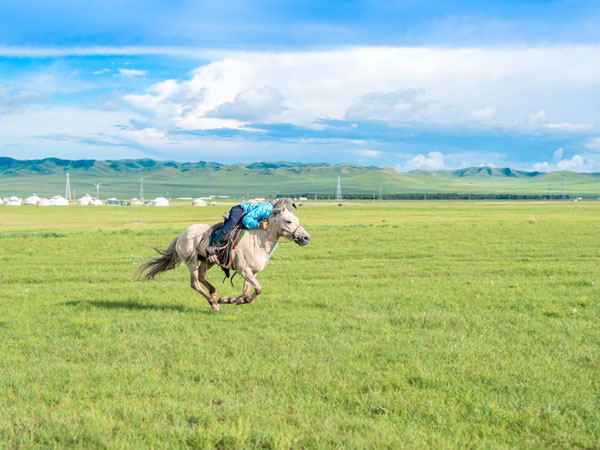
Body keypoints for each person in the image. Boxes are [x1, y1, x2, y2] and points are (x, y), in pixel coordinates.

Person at [206, 200, 276, 257]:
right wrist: (258, 225)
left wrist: (266, 259)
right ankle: (215, 246)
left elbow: (275, 242)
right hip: (241, 210)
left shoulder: (276, 220)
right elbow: (247, 219)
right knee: (232, 223)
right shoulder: (267, 208)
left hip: (251, 218)